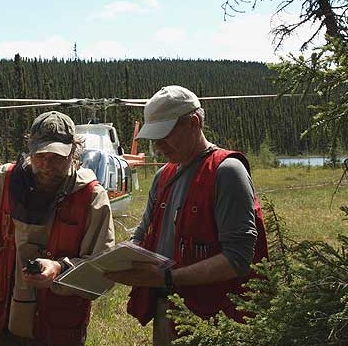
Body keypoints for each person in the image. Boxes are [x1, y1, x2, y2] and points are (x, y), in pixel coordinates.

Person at [106, 85, 268, 345]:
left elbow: (238, 259)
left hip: (217, 320)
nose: (158, 146)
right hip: (169, 312)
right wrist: (114, 260)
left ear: (194, 122)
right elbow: (142, 234)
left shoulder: (227, 171)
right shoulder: (163, 177)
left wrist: (167, 278)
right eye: (154, 137)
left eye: (165, 134)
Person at [0, 111, 115, 346]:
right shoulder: (4, 179)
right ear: (30, 150)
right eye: (40, 156)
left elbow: (103, 268)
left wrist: (60, 268)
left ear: (74, 153)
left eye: (56, 158)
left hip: (57, 328)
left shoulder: (91, 197)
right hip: (2, 320)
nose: (46, 166)